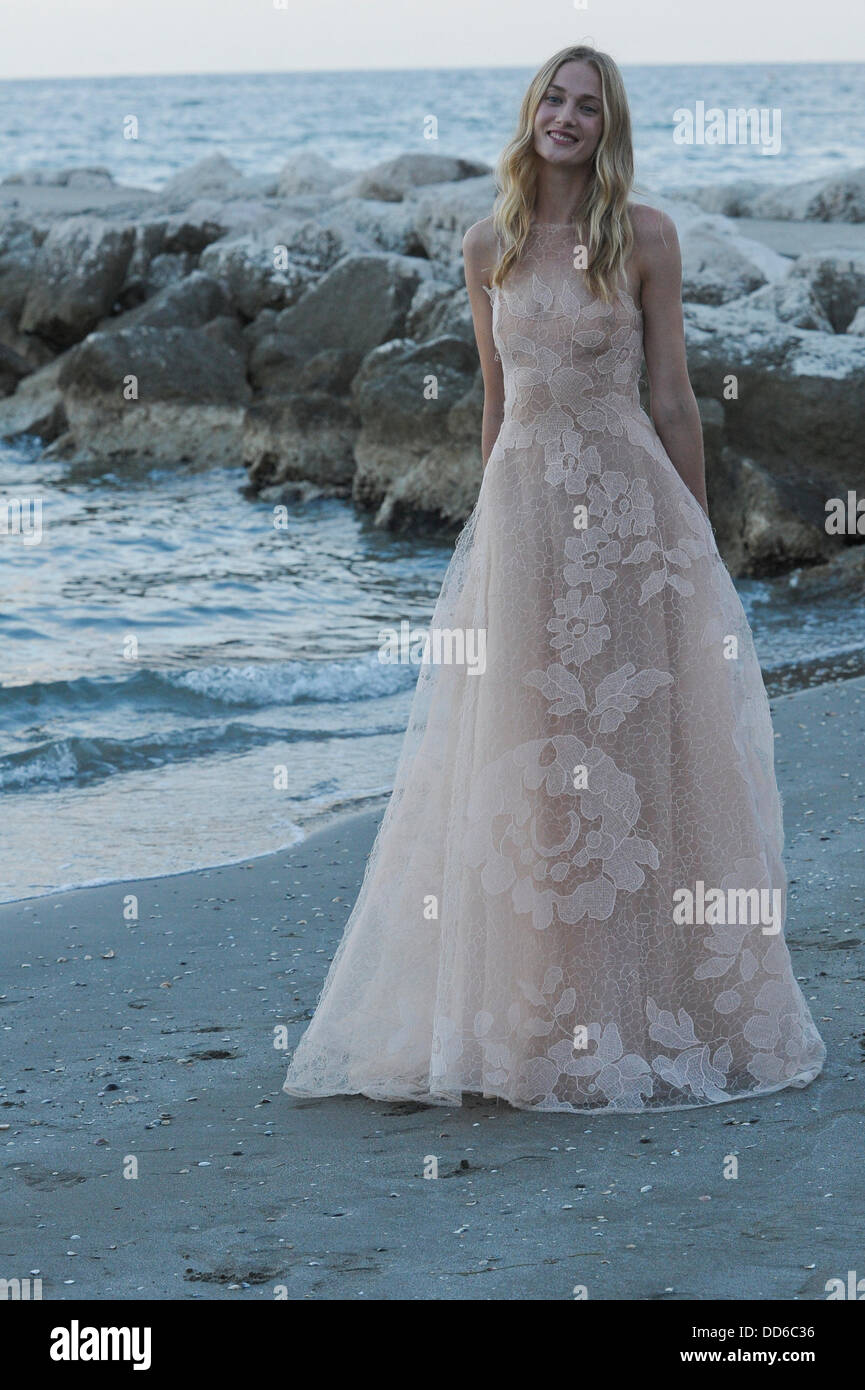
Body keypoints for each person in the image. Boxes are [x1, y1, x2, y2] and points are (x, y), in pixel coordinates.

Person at [283, 45, 826, 1113]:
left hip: (634, 521)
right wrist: (488, 529)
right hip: (528, 522)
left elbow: (672, 398)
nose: (566, 117)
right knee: (532, 764)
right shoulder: (489, 242)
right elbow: (494, 404)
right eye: (553, 100)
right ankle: (535, 1011)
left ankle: (659, 1002)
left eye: (586, 105)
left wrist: (701, 545)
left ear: (608, 126)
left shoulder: (644, 238)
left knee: (646, 750)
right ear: (530, 112)